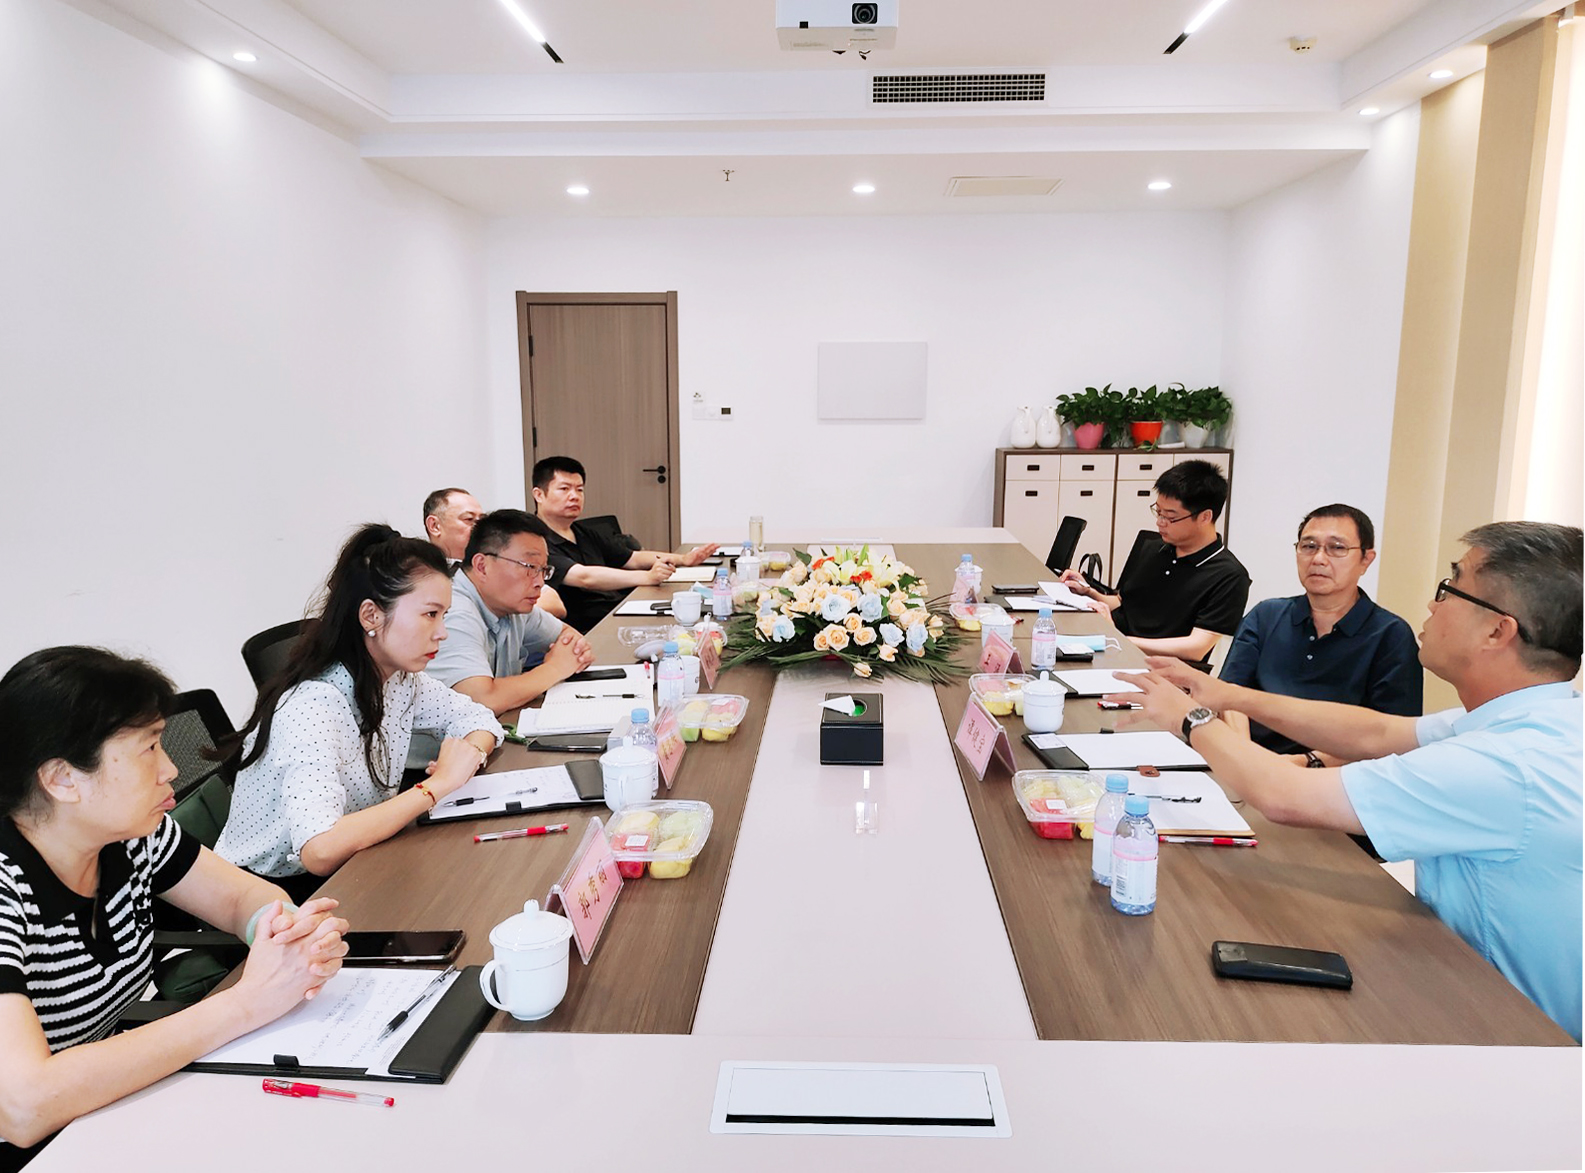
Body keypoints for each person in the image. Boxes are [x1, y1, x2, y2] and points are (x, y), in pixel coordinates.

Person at [1111, 521, 1582, 1041]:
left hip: (1515, 1033)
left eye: (1450, 588)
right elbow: (1377, 731)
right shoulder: (1539, 719)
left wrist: (1189, 718)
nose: (1432, 605)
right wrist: (1226, 695)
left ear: (1498, 631)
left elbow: (1286, 797)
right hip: (1463, 982)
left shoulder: (1504, 764)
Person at [0, 647, 348, 1166]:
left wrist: (287, 938)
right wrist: (247, 1002)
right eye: (148, 748)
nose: (170, 769)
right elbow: (22, 1106)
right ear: (63, 779)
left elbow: (240, 897)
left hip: (98, 1113)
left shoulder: (131, 835)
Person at [216, 525, 504, 902]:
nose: (442, 633)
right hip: (269, 893)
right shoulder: (312, 706)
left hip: (357, 859)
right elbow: (319, 849)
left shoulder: (399, 679)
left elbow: (478, 718)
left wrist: (470, 754)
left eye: (444, 615)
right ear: (371, 616)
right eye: (430, 614)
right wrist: (439, 785)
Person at [1220, 504, 1422, 763]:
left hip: (1335, 775)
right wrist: (1246, 758)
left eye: (1337, 548)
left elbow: (1393, 738)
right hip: (1253, 763)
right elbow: (1229, 694)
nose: (1318, 559)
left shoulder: (1390, 635)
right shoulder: (1266, 616)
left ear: (1366, 560)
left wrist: (1303, 763)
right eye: (1309, 546)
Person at [1059, 459, 1250, 662]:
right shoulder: (1156, 548)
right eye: (1158, 512)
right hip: (1111, 646)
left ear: (1205, 517)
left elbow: (1196, 649)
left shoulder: (1229, 576)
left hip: (1155, 666)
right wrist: (1089, 592)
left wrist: (1119, 639)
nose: (1160, 522)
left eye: (1170, 517)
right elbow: (1124, 603)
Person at [427, 509, 596, 714]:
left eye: (543, 570)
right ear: (482, 566)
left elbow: (571, 640)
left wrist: (571, 656)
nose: (539, 582)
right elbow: (481, 699)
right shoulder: (453, 612)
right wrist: (555, 668)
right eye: (529, 567)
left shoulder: (513, 606)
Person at [527, 456, 721, 632]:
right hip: (589, 627)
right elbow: (585, 577)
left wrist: (684, 559)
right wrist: (647, 577)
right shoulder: (534, 542)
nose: (574, 496)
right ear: (539, 495)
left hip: (619, 610)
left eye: (580, 490)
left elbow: (633, 558)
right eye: (564, 489)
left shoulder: (582, 531)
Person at [424, 487, 568, 620]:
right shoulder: (421, 570)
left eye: (481, 520)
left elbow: (554, 603)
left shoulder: (496, 558)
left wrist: (504, 610)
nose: (478, 527)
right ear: (434, 526)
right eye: (469, 519)